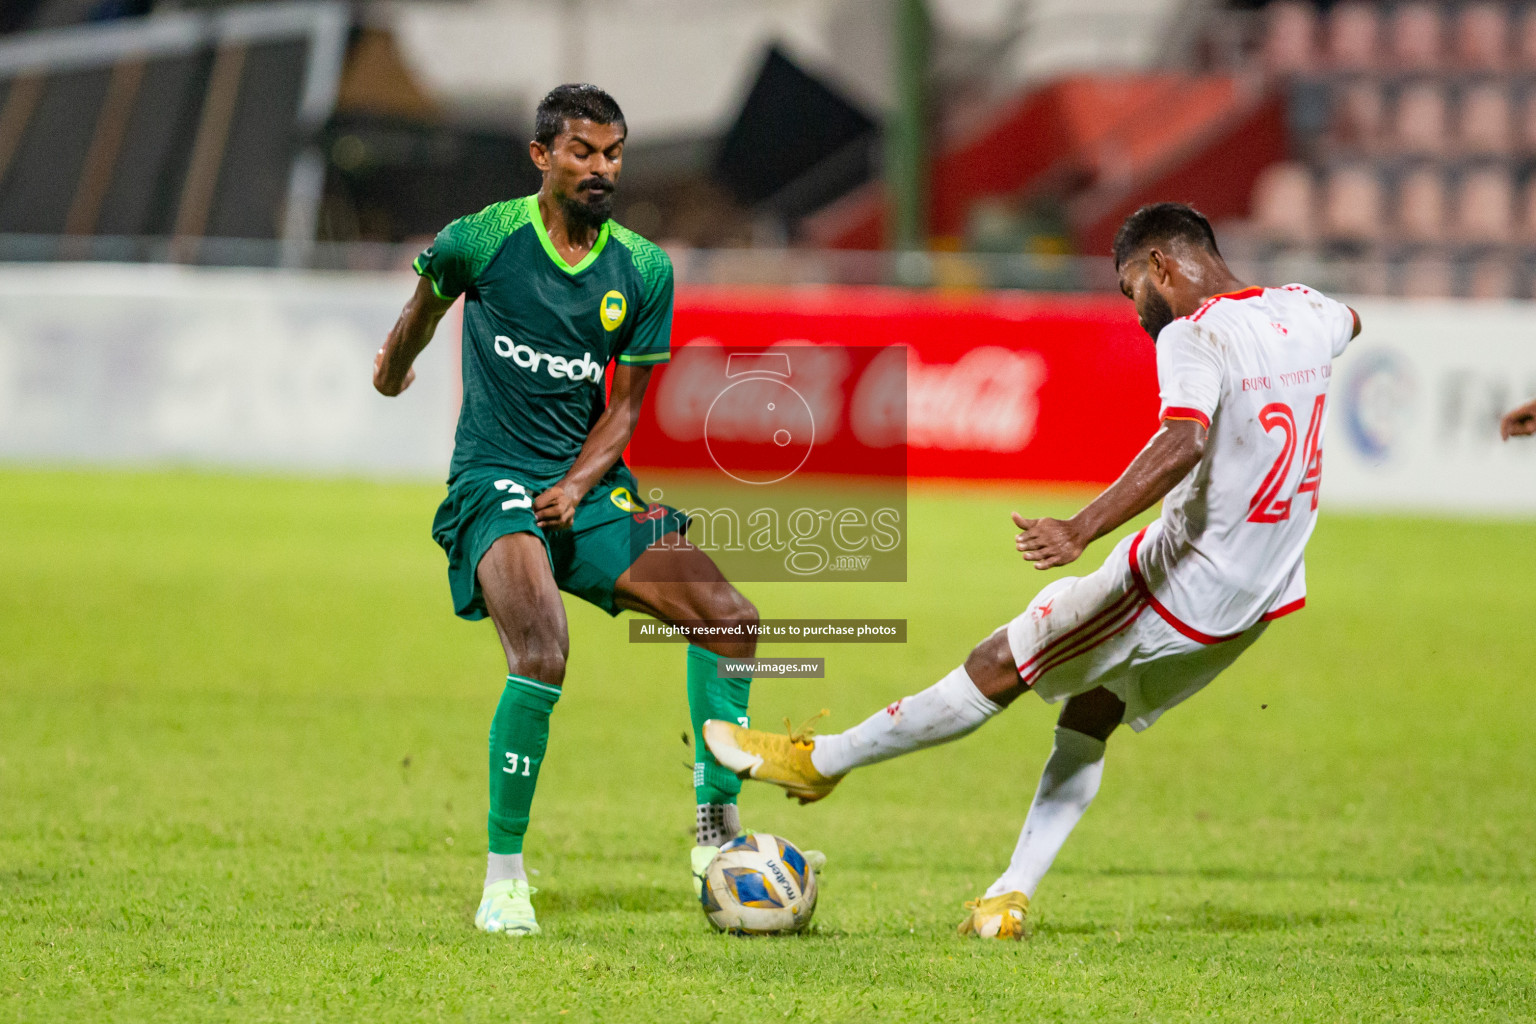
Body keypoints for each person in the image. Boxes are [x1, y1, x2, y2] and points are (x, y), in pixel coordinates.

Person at [704, 202, 1362, 939]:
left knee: (1000, 660)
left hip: (1180, 586)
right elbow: (1352, 322)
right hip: (1261, 598)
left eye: (1128, 290)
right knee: (1093, 713)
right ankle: (1008, 897)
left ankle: (819, 760)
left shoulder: (1192, 332)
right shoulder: (1306, 310)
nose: (1135, 310)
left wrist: (1078, 528)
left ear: (1162, 267)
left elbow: (1183, 441)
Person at [373, 84, 765, 937]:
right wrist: (392, 369)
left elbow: (624, 411)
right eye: (584, 151)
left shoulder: (644, 269)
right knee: (543, 648)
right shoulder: (483, 237)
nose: (601, 168)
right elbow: (423, 308)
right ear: (542, 155)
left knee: (731, 619)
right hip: (493, 480)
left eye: (614, 152)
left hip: (585, 486)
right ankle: (504, 877)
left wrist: (581, 486)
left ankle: (713, 828)